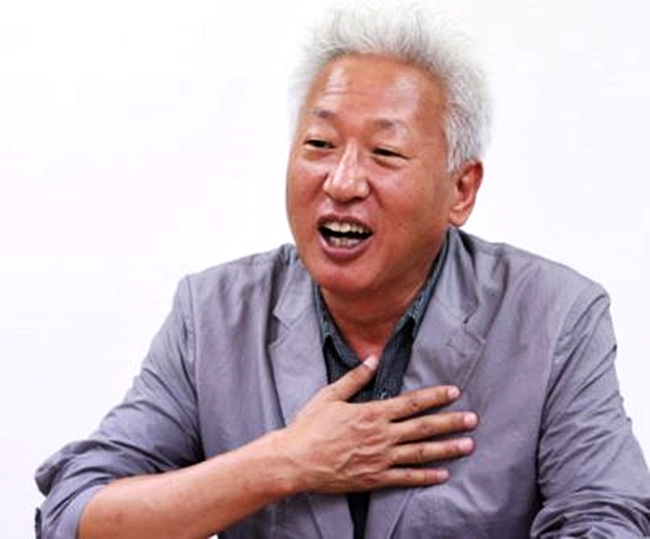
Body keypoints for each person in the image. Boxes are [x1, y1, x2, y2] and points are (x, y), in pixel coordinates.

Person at [35, 3, 650, 538]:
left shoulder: (554, 316)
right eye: (319, 145)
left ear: (461, 189)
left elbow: (609, 518)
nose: (343, 181)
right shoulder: (214, 314)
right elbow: (74, 516)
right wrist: (283, 462)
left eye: (385, 152)